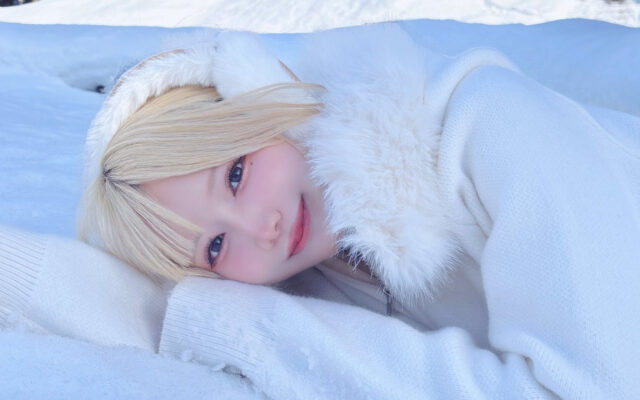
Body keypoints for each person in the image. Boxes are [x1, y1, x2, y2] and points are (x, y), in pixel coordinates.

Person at [76, 25, 640, 399]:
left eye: (236, 174)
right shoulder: (323, 273)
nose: (261, 228)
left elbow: (595, 390)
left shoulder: (491, 124)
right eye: (215, 246)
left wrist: (255, 331)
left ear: (260, 94)